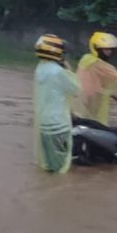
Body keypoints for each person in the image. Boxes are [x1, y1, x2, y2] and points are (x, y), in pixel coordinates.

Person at [31, 33, 77, 174]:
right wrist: (68, 68)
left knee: (50, 167)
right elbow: (76, 89)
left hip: (44, 125)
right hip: (59, 126)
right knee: (61, 169)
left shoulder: (40, 69)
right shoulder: (58, 72)